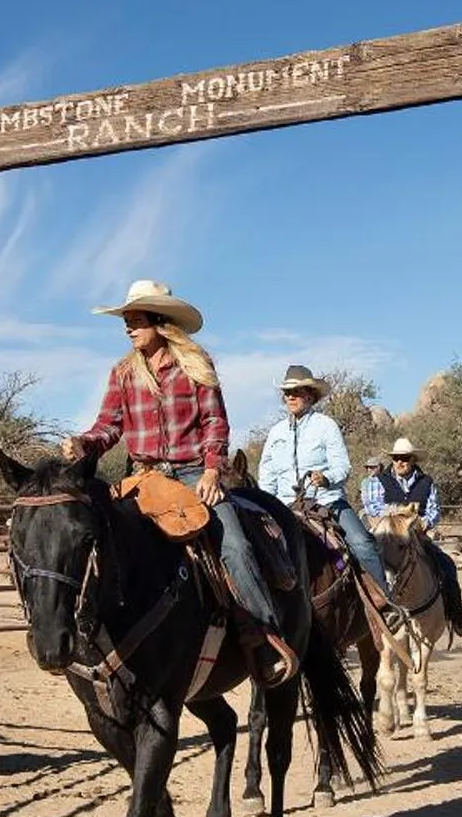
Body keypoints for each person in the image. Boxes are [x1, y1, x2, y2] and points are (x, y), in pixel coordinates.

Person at [61, 279, 294, 686]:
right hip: (143, 476)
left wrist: (211, 470)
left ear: (160, 322)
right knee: (101, 537)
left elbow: (214, 422)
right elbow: (108, 427)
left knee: (234, 543)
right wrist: (85, 443)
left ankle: (262, 633)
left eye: (136, 321)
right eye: (127, 322)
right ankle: (94, 633)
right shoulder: (123, 373)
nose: (129, 329)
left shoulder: (195, 364)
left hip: (192, 472)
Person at [255, 367, 396, 617]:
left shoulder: (325, 425)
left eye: (296, 392)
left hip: (326, 502)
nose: (290, 397)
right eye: (287, 392)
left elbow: (343, 466)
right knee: (258, 548)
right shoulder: (276, 433)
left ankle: (383, 602)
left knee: (362, 543)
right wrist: (268, 505)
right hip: (286, 507)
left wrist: (326, 477)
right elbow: (267, 475)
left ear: (310, 395)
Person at [378, 436, 462, 634]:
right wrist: (404, 514)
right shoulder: (379, 481)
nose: (399, 462)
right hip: (387, 537)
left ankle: (457, 616)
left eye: (404, 458)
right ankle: (363, 619)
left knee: (447, 565)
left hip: (417, 537)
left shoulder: (427, 482)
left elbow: (434, 511)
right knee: (361, 564)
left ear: (413, 460)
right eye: (396, 458)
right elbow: (374, 508)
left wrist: (423, 522)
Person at [358, 456, 388, 526]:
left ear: (379, 468)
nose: (369, 469)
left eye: (372, 467)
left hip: (384, 513)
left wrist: (382, 514)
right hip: (369, 513)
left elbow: (386, 500)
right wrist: (373, 515)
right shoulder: (365, 482)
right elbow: (366, 501)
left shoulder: (386, 481)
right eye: (367, 467)